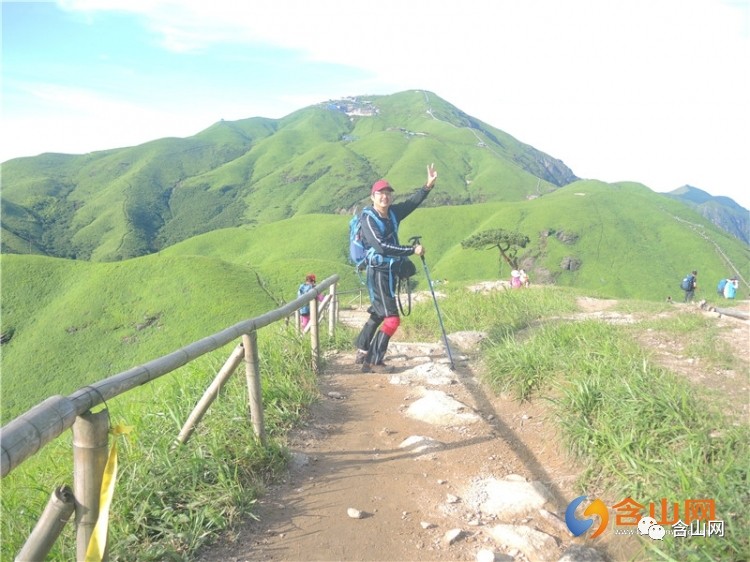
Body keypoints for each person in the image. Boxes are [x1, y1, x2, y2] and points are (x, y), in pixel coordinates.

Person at [355, 164, 438, 372]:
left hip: (389, 271)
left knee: (377, 312)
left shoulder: (392, 213)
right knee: (391, 318)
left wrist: (427, 186)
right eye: (380, 194)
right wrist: (411, 250)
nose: (385, 197)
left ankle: (362, 348)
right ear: (372, 197)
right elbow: (381, 246)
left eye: (387, 194)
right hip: (379, 273)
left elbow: (411, 204)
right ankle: (373, 361)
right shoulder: (367, 218)